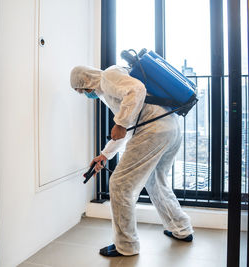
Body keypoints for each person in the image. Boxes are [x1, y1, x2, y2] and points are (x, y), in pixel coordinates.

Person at [70, 65, 194, 257]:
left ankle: (126, 245)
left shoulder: (107, 77)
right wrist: (105, 155)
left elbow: (137, 90)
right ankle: (181, 229)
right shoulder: (110, 87)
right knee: (156, 182)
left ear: (86, 80)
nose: (84, 94)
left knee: (120, 185)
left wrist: (120, 123)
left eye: (81, 90)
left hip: (153, 131)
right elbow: (128, 127)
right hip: (170, 129)